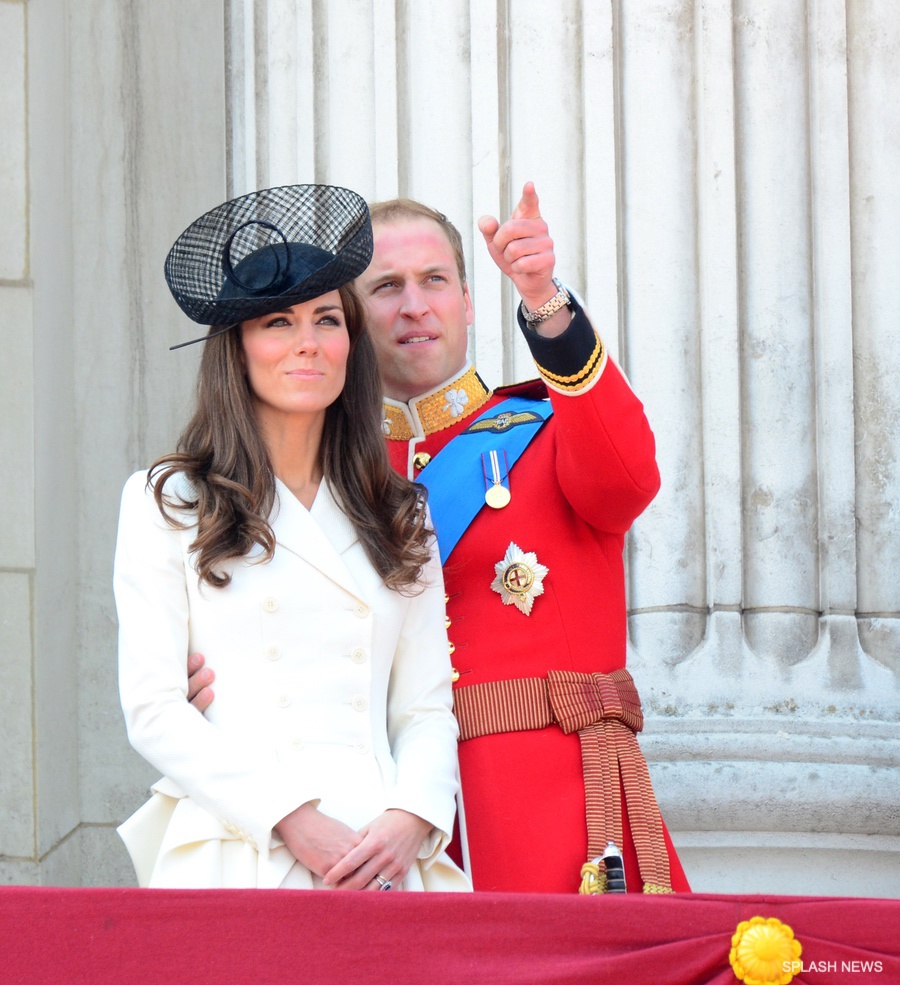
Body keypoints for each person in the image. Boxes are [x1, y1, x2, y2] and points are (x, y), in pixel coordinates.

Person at [189, 183, 690, 895]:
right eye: (386, 287)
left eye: (434, 281)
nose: (415, 304)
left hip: (547, 812)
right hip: (380, 817)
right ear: (353, 322)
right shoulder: (316, 480)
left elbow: (629, 479)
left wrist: (546, 301)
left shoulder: (548, 432)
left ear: (468, 301)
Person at [115, 183, 469, 892]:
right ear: (237, 347)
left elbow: (426, 707)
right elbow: (153, 708)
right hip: (238, 845)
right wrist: (289, 817)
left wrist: (409, 818)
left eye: (328, 320)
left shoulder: (400, 511)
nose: (308, 343)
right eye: (278, 321)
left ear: (350, 343)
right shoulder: (170, 499)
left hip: (381, 859)